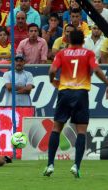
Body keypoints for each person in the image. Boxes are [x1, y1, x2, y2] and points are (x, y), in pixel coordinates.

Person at [43, 30, 108, 178]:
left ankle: (50, 165)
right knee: (81, 131)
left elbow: (52, 70)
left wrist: (52, 80)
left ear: (69, 40)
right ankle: (76, 166)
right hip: (81, 93)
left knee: (56, 128)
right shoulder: (88, 53)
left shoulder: (62, 53)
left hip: (64, 92)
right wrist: (107, 83)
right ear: (83, 41)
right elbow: (96, 69)